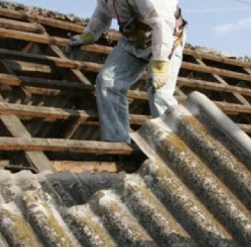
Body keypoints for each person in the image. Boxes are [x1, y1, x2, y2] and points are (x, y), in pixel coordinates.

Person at [67, 0, 187, 143]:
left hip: (165, 40)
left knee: (159, 94)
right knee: (108, 82)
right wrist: (90, 34)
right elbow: (102, 12)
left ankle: (173, 144)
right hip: (133, 42)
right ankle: (117, 141)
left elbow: (162, 23)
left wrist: (160, 62)